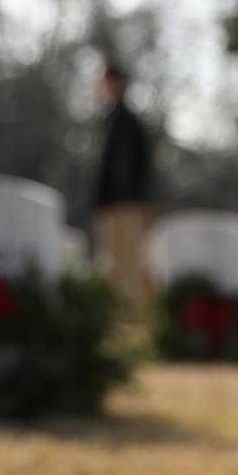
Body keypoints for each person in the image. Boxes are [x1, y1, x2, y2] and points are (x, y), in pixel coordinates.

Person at [91, 60, 152, 300]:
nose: (100, 85)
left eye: (104, 79)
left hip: (125, 204)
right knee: (113, 265)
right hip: (114, 203)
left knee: (129, 264)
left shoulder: (125, 119)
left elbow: (131, 164)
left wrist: (120, 198)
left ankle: (134, 321)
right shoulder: (112, 118)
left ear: (115, 82)